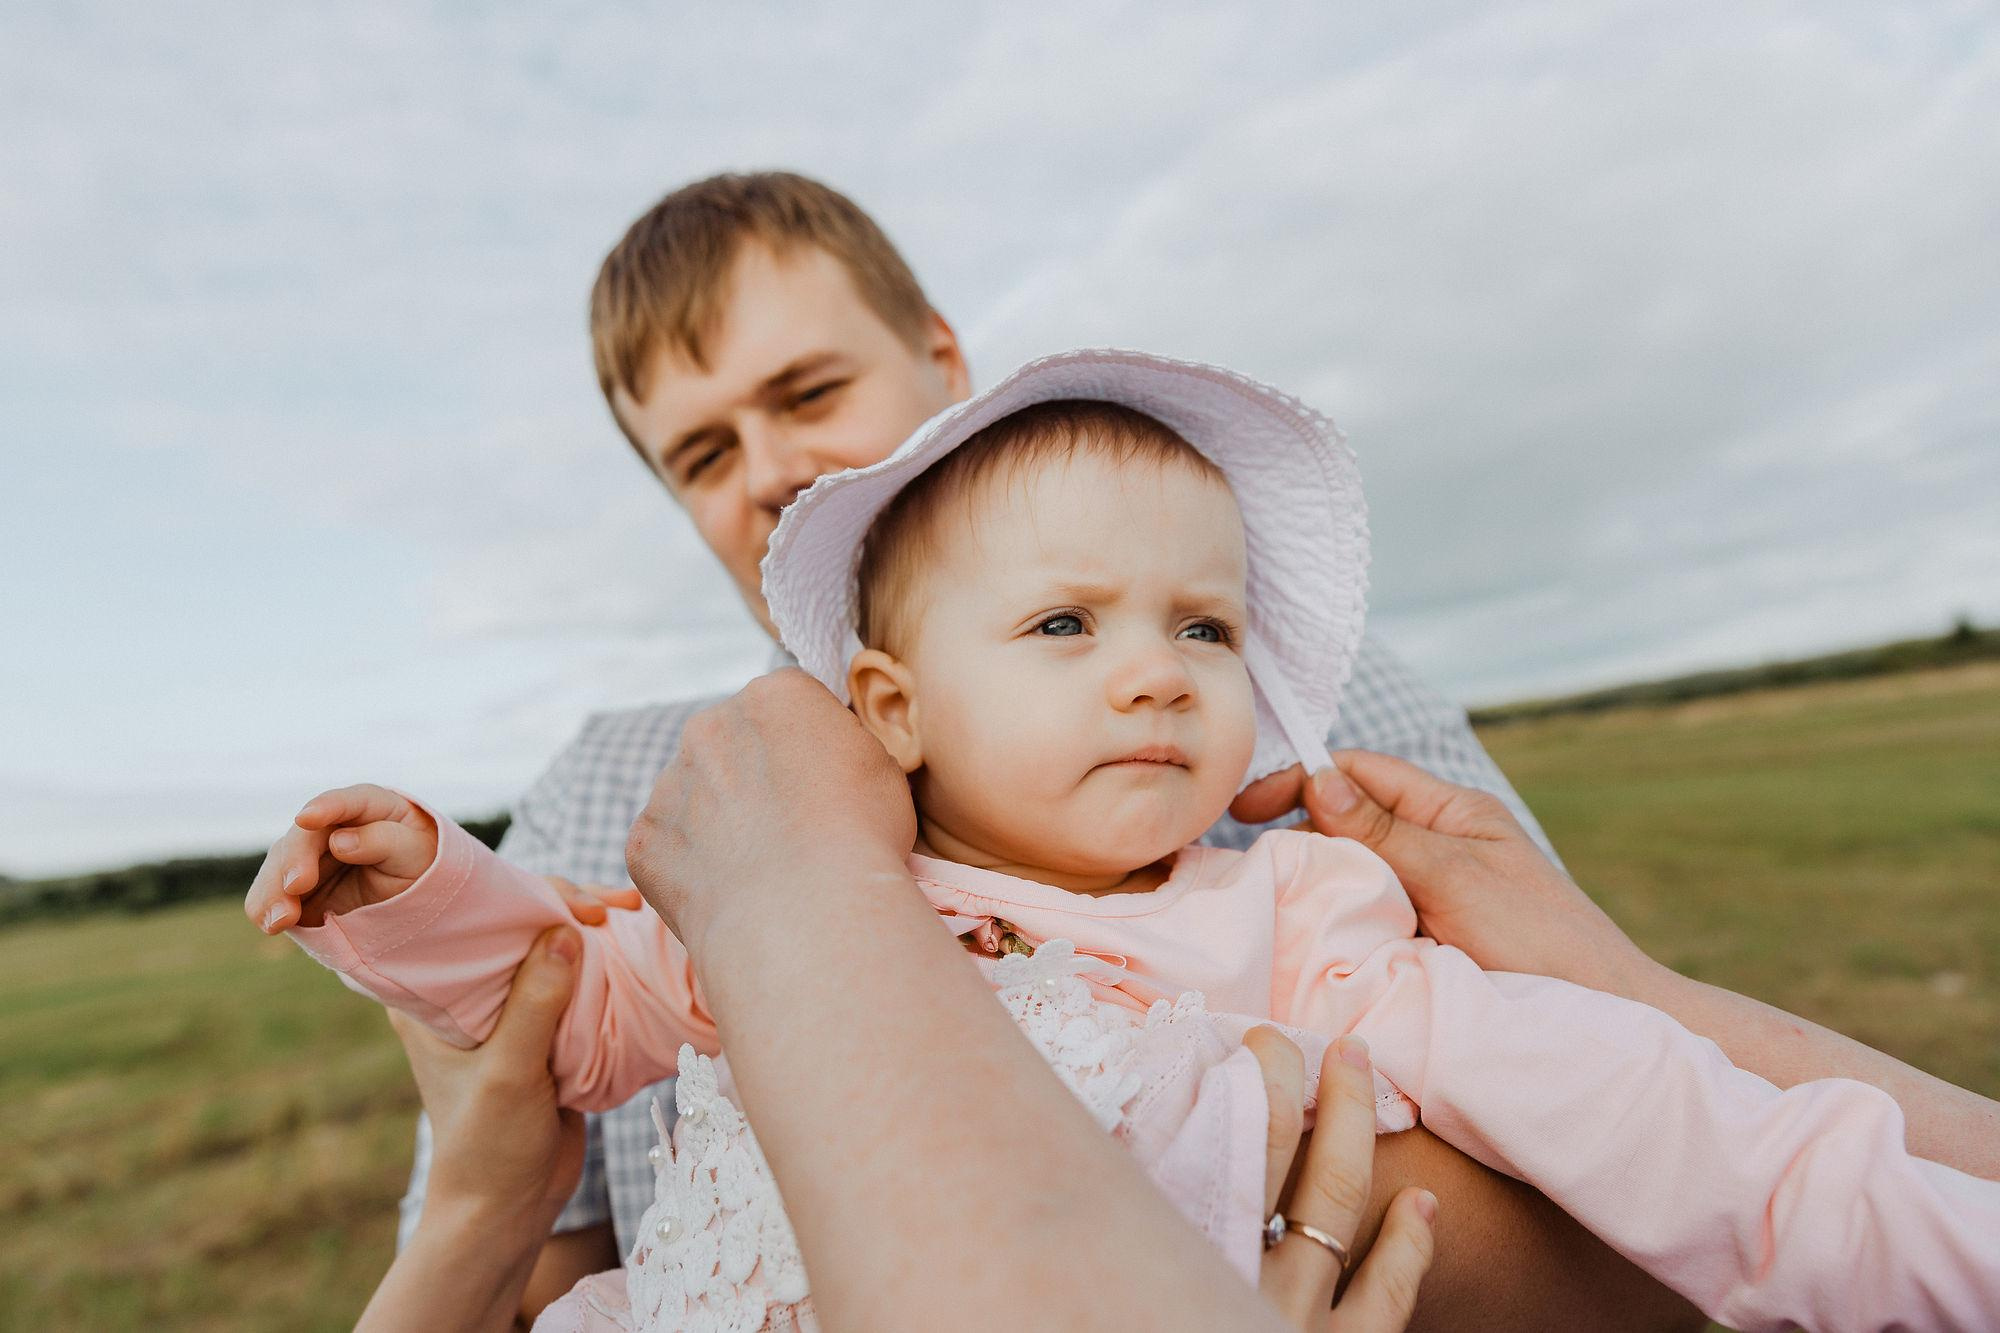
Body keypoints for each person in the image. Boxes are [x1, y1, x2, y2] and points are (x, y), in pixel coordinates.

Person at [258, 355, 2000, 1329]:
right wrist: (421, 887)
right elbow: (555, 1012)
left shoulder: (1305, 914)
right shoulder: (755, 896)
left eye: (1209, 629)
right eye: (1068, 629)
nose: (1159, 676)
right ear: (888, 706)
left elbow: (1652, 1114)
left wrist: (1931, 1245)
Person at [384, 169, 1654, 1325]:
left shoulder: (1304, 713)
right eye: (703, 455)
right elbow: (532, 1272)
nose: (768, 471)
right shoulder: (611, 790)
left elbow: (1627, 1191)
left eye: (808, 392)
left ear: (943, 360)